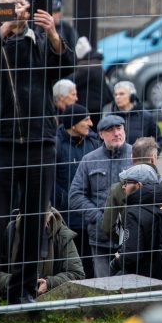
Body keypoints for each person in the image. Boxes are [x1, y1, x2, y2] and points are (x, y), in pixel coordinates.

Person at [0, 0, 74, 306]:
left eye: (22, 4)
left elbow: (65, 66)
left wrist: (52, 32)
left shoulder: (38, 40)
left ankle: (22, 291)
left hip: (39, 143)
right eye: (11, 6)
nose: (20, 10)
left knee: (33, 219)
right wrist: (3, 28)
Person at [68, 114, 133, 278]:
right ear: (101, 135)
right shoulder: (89, 160)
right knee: (104, 287)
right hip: (100, 238)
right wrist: (101, 218)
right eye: (110, 130)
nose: (116, 133)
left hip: (132, 236)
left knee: (131, 287)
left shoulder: (136, 156)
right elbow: (75, 196)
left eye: (119, 128)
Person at [101, 137, 162, 247]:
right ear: (153, 158)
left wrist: (127, 241)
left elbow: (108, 227)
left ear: (132, 158)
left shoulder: (118, 188)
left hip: (131, 251)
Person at [54, 104, 102, 277]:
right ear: (73, 124)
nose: (91, 123)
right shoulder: (56, 145)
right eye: (86, 119)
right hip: (67, 219)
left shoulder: (94, 142)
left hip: (90, 217)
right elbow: (49, 181)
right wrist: (65, 200)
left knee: (90, 266)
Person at [0, 207, 85, 298]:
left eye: (42, 216)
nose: (36, 221)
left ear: (49, 215)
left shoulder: (62, 235)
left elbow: (77, 273)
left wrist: (49, 283)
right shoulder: (10, 231)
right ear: (22, 214)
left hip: (52, 300)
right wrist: (17, 283)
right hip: (13, 298)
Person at [112, 164, 162, 283]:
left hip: (144, 279)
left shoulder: (134, 212)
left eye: (126, 182)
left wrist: (117, 261)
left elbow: (131, 255)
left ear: (139, 185)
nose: (123, 187)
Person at [69, 36, 113, 128]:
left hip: (90, 106)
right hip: (96, 104)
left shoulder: (87, 68)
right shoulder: (95, 63)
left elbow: (70, 81)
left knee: (90, 130)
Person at [112, 81, 162, 152]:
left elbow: (158, 139)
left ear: (132, 96)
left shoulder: (146, 117)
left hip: (140, 160)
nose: (117, 97)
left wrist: (150, 158)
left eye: (121, 94)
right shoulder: (110, 118)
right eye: (115, 95)